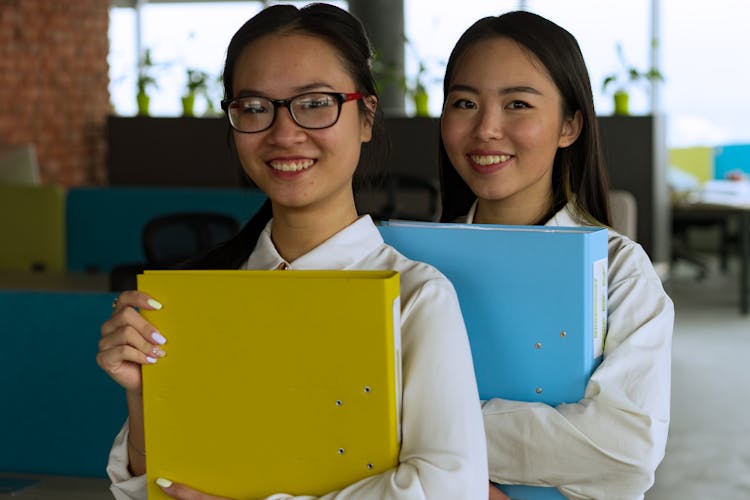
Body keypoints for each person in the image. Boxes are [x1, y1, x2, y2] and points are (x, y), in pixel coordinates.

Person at [96, 4, 488, 500]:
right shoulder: (196, 296)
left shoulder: (415, 296)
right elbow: (151, 489)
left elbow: (451, 488)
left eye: (316, 102)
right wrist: (142, 397)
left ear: (366, 116)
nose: (284, 134)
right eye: (256, 107)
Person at [438, 11, 674, 500]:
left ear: (570, 125)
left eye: (518, 104)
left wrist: (424, 433)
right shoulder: (405, 263)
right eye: (464, 102)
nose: (486, 129)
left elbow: (625, 454)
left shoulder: (619, 270)